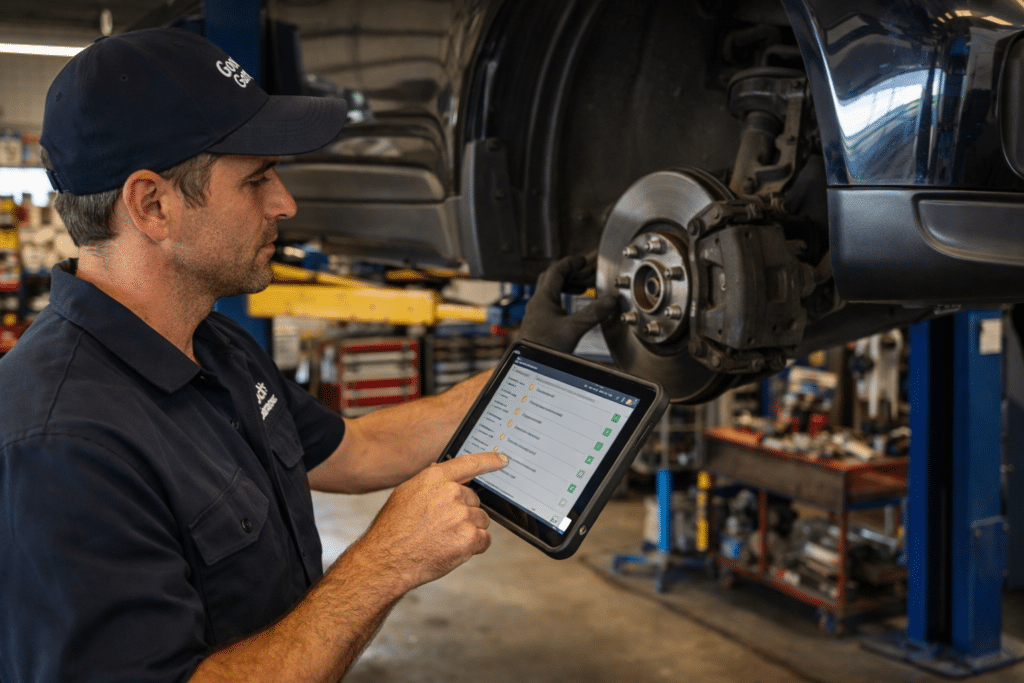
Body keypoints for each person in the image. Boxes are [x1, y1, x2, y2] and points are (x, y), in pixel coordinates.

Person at [0, 27, 618, 683]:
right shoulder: (60, 446)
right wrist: (384, 562)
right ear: (153, 205)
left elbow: (360, 449)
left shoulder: (213, 345)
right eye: (257, 180)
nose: (285, 203)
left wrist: (529, 362)